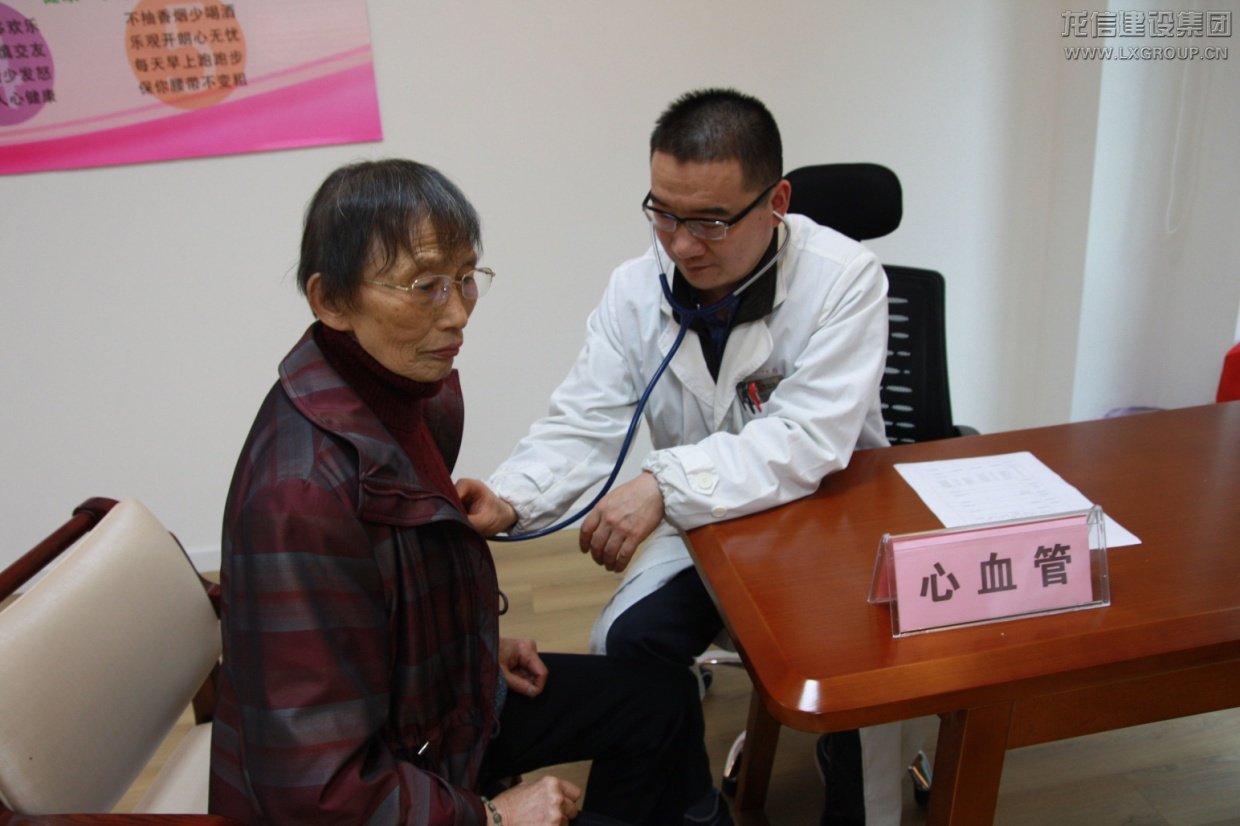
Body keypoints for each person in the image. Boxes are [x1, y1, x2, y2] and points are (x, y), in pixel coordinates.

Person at [208, 158, 729, 826]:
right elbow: (313, 790)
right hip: (378, 779)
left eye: (465, 278)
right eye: (424, 286)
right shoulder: (301, 500)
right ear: (330, 300)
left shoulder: (404, 398)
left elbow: (386, 604)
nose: (457, 314)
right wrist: (491, 817)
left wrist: (470, 653)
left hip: (426, 715)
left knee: (662, 700)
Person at [456, 90, 912, 825]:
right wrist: (512, 496)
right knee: (626, 640)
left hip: (827, 524)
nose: (681, 245)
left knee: (860, 678)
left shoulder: (844, 280)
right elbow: (586, 418)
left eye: (709, 222)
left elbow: (806, 439)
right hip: (709, 522)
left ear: (776, 202)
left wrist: (663, 485)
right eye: (663, 214)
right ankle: (693, 812)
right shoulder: (636, 291)